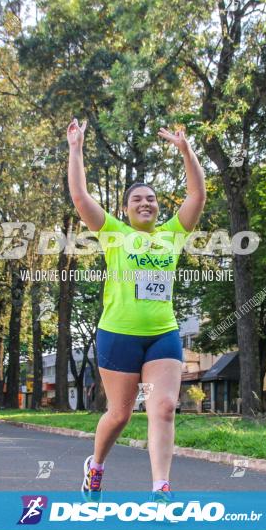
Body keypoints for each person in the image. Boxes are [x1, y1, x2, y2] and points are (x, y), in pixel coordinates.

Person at [67, 118, 205, 503]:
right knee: (121, 414)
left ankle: (161, 487)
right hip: (118, 334)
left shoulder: (172, 234)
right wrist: (76, 150)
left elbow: (197, 195)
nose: (145, 202)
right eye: (136, 199)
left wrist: (185, 150)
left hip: (163, 333)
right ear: (126, 209)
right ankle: (95, 466)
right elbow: (80, 198)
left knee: (163, 407)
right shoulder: (115, 234)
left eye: (151, 198)